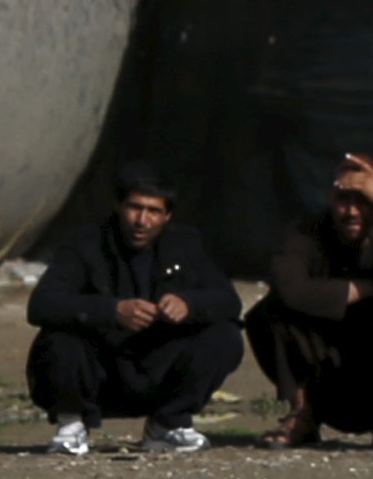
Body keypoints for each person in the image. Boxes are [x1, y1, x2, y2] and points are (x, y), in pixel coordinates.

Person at [24, 162, 242, 455]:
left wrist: (188, 304)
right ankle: (71, 425)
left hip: (157, 368)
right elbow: (42, 305)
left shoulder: (184, 245)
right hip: (99, 370)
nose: (142, 220)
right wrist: (111, 311)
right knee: (58, 339)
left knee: (224, 335)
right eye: (134, 208)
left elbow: (228, 300)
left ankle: (168, 425)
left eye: (154, 211)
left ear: (167, 216)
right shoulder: (86, 244)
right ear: (117, 205)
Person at [246, 154, 373, 447]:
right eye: (344, 199)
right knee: (266, 313)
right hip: (321, 370)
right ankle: (301, 414)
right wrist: (362, 289)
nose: (352, 211)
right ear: (329, 197)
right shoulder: (305, 232)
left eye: (364, 200)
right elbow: (288, 289)